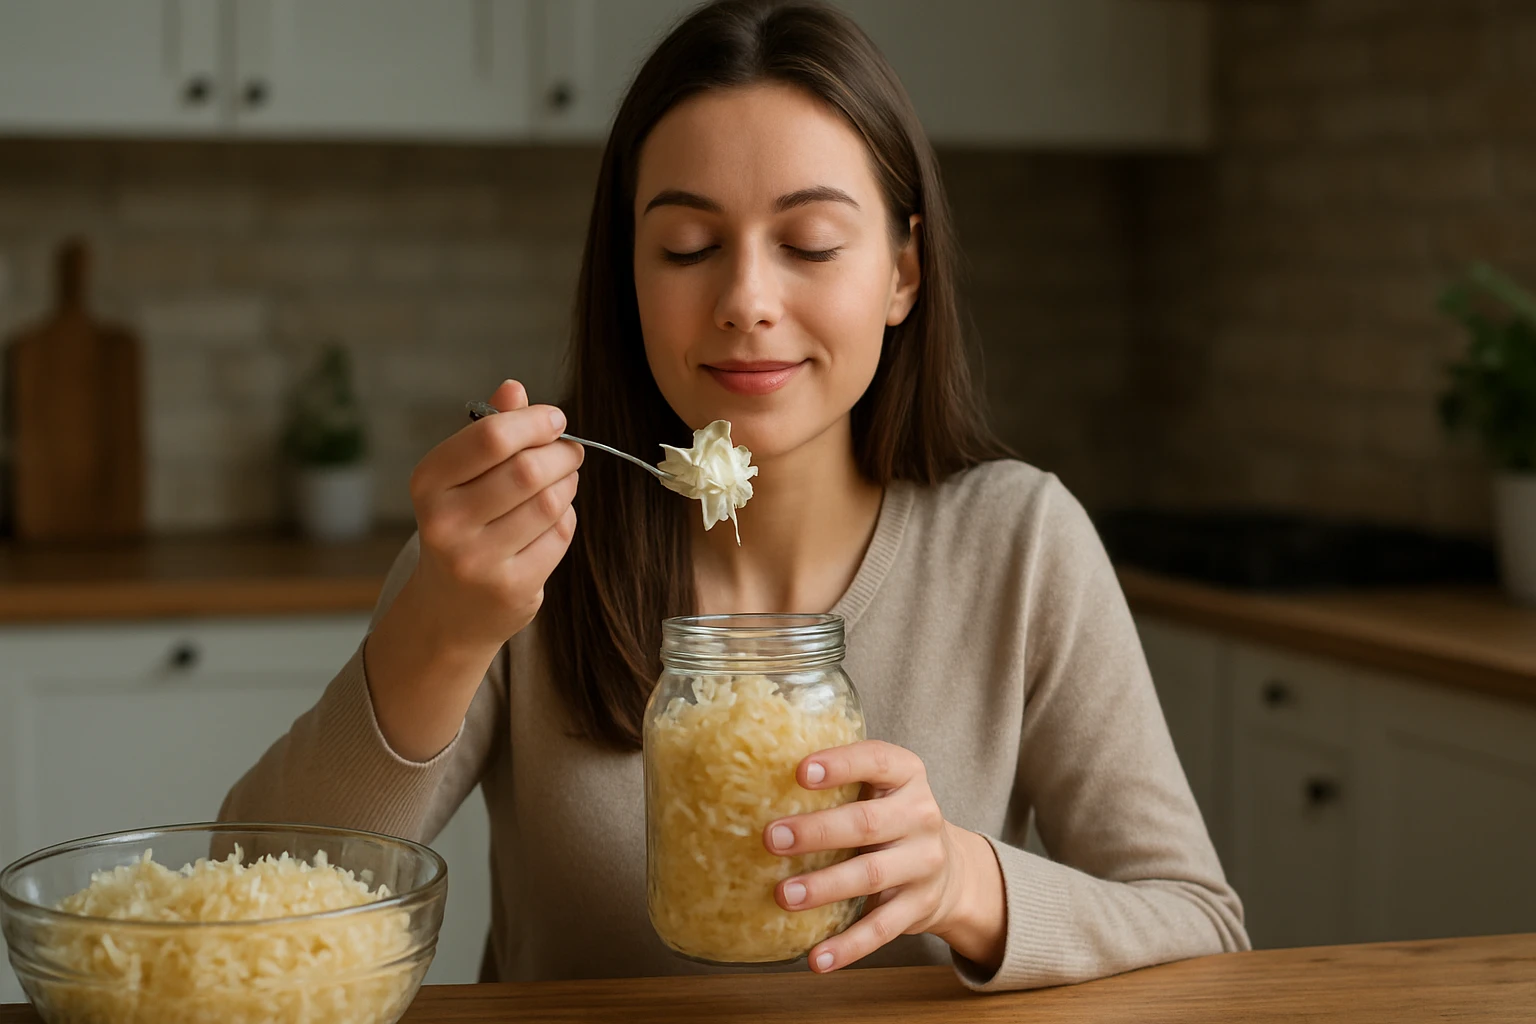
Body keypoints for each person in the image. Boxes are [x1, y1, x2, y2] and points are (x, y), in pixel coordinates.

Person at [221, 0, 1248, 992]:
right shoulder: (520, 550)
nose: (747, 300)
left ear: (902, 274)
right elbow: (249, 904)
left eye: (808, 244)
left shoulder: (1017, 541)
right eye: (687, 248)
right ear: (628, 273)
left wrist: (965, 881)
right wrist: (439, 631)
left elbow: (1203, 926)